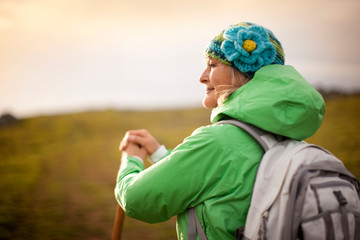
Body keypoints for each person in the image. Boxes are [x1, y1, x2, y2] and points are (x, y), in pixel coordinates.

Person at [114, 22, 325, 239]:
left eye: (212, 65)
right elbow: (216, 178)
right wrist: (159, 153)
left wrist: (131, 160)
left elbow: (137, 200)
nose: (202, 76)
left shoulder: (217, 142)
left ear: (242, 72)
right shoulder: (287, 139)